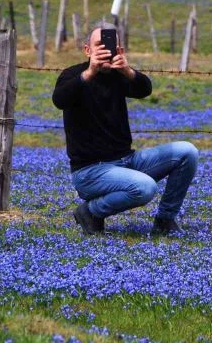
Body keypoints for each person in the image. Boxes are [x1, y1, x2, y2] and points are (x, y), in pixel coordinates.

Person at [52, 23, 198, 236]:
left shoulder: (118, 75)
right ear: (87, 50)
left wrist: (128, 71)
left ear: (119, 50)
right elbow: (60, 99)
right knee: (146, 188)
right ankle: (90, 212)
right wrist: (90, 72)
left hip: (128, 162)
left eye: (110, 46)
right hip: (91, 171)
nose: (105, 50)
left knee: (187, 151)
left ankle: (165, 220)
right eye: (98, 45)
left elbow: (144, 89)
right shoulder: (73, 75)